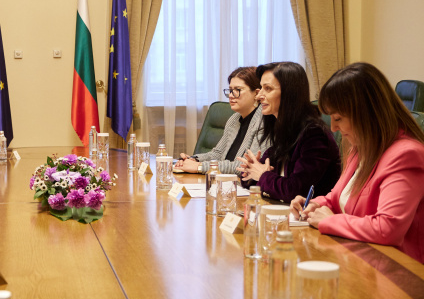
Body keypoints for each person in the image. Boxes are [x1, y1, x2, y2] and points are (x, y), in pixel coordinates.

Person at [291, 63, 424, 263]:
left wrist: (329, 221)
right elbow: (338, 197)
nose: (334, 127)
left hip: (396, 271)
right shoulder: (361, 147)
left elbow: (388, 229)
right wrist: (315, 204)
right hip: (359, 257)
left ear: (366, 114)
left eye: (339, 118)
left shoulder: (406, 155)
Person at [237, 61, 340, 202]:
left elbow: (295, 191)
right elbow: (254, 178)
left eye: (267, 89)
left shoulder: (314, 134)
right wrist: (252, 170)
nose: (259, 95)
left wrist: (262, 175)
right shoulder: (284, 128)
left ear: (289, 93)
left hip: (309, 220)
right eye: (261, 88)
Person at [175, 66, 268, 174]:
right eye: (230, 90)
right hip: (225, 181)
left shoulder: (264, 121)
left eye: (237, 90)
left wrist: (199, 167)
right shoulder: (234, 119)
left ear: (256, 94)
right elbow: (218, 154)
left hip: (245, 186)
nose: (231, 96)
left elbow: (245, 166)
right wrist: (194, 159)